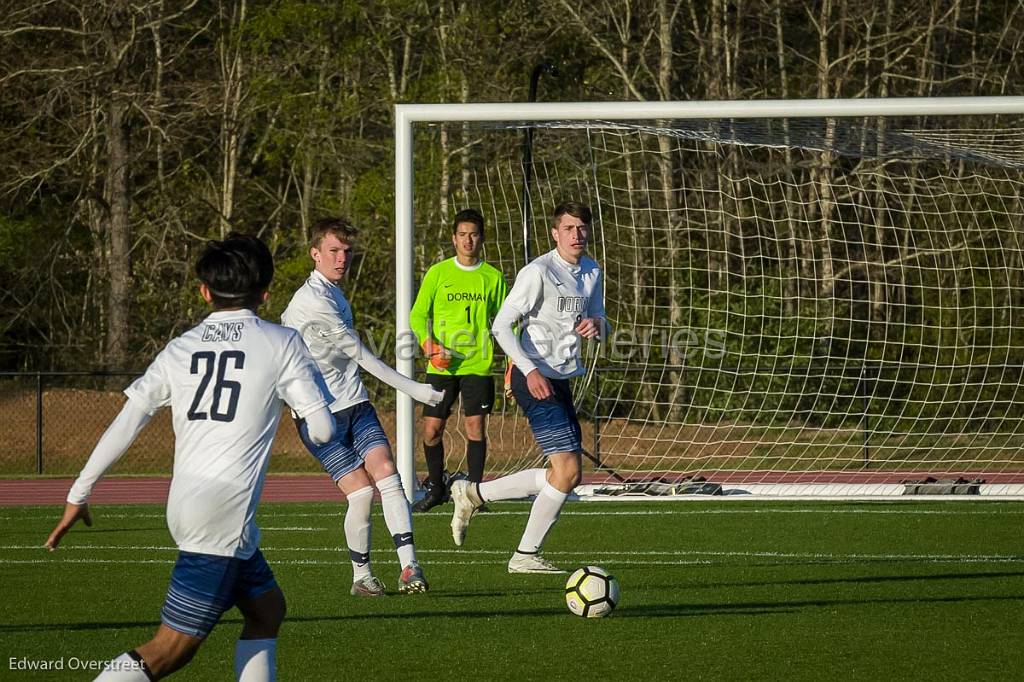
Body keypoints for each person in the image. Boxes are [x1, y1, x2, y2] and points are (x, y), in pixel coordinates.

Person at [44, 234, 336, 681]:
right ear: (266, 292)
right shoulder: (282, 342)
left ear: (204, 291)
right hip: (225, 513)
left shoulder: (180, 348)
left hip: (186, 505)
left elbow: (127, 422)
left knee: (268, 609)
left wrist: (78, 492)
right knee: (169, 651)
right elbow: (323, 429)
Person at [282, 217, 444, 597]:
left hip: (354, 402)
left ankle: (410, 567)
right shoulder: (311, 302)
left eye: (347, 252)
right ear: (315, 254)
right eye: (334, 251)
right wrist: (415, 390)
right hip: (318, 413)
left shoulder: (335, 294)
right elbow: (360, 355)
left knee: (388, 472)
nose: (342, 258)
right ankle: (361, 577)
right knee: (360, 492)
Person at [449, 201, 608, 574]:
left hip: (562, 378)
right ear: (555, 233)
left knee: (566, 475)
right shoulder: (538, 271)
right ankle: (524, 555)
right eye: (568, 228)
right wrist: (528, 369)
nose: (576, 234)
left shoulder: (591, 270)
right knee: (567, 471)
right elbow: (501, 326)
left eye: (582, 227)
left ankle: (473, 493)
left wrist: (599, 326)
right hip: (532, 378)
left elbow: (600, 317)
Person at [409, 208, 509, 512]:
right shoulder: (439, 273)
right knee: (431, 430)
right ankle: (437, 489)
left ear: (481, 239)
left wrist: (513, 362)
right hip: (441, 366)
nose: (468, 240)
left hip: (477, 365)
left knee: (475, 428)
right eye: (462, 234)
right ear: (454, 238)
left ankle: (474, 497)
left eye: (474, 234)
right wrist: (430, 346)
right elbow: (417, 315)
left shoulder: (493, 277)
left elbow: (507, 321)